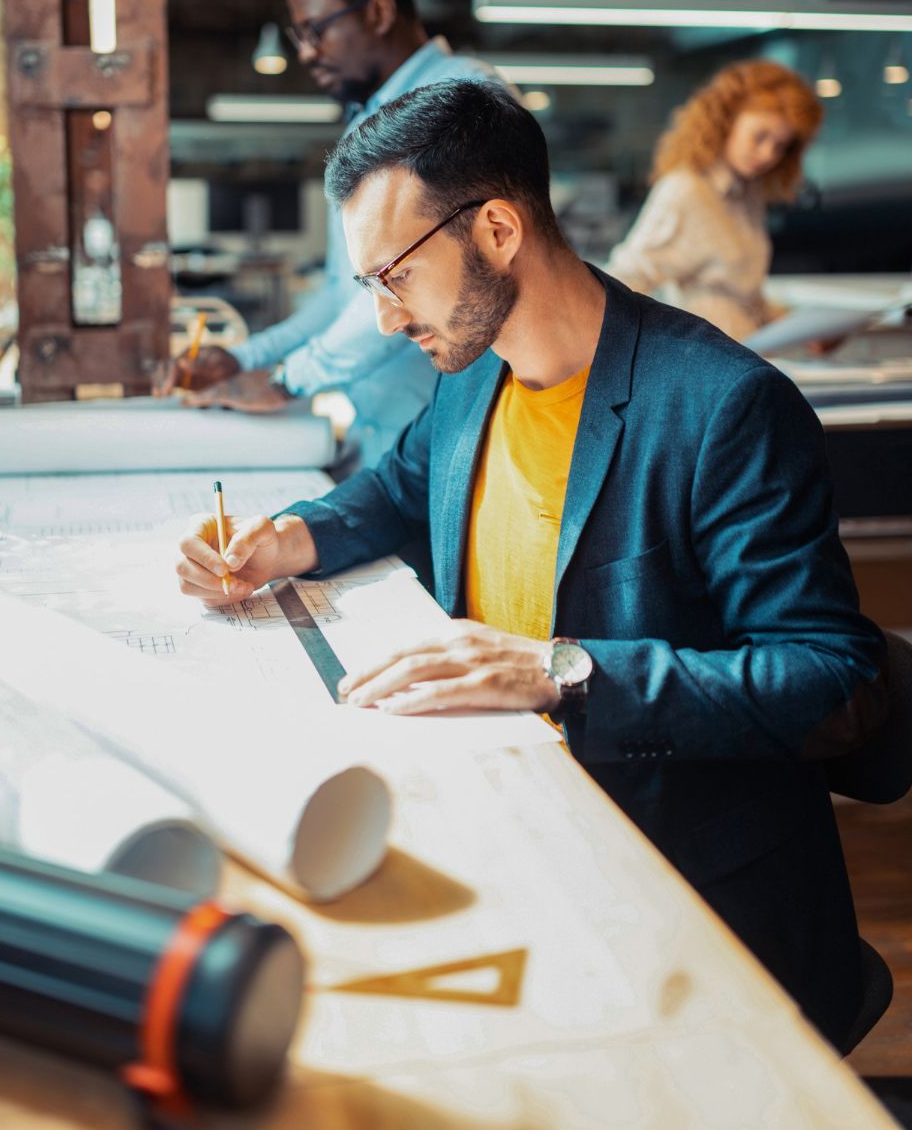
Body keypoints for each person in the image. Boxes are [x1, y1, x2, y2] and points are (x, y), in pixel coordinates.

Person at [175, 78, 885, 1051]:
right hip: (529, 847)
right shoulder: (474, 383)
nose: (386, 319)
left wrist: (556, 671)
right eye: (368, 287)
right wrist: (285, 539)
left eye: (394, 277)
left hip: (690, 916)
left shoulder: (720, 408)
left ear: (498, 231)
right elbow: (392, 491)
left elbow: (832, 685)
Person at [164, 0, 502, 465]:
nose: (305, 52)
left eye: (316, 29)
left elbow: (405, 289)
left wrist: (289, 380)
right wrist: (246, 358)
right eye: (299, 36)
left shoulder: (460, 100)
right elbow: (344, 296)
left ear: (379, 12)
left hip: (454, 435)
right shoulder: (364, 128)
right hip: (386, 435)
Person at [606, 59, 823, 341]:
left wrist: (805, 327)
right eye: (759, 137)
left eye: (780, 146)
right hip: (704, 364)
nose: (768, 154)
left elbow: (743, 299)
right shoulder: (686, 190)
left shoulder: (747, 196)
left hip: (745, 355)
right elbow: (626, 278)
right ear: (726, 121)